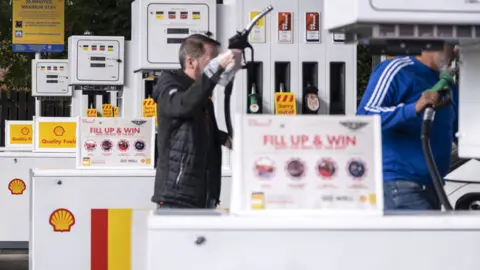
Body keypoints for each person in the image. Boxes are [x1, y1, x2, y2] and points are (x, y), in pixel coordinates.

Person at [356, 44, 458, 210]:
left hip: (432, 187)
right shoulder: (398, 70)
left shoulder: (448, 86)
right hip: (399, 185)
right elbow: (365, 116)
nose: (456, 51)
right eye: (452, 44)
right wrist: (414, 108)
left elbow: (462, 133)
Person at [151, 34, 241, 208]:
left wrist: (228, 140)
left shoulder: (200, 95)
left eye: (217, 61)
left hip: (205, 196)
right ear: (191, 62)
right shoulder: (170, 86)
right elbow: (183, 106)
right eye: (212, 61)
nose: (216, 67)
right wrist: (215, 72)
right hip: (178, 197)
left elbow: (197, 131)